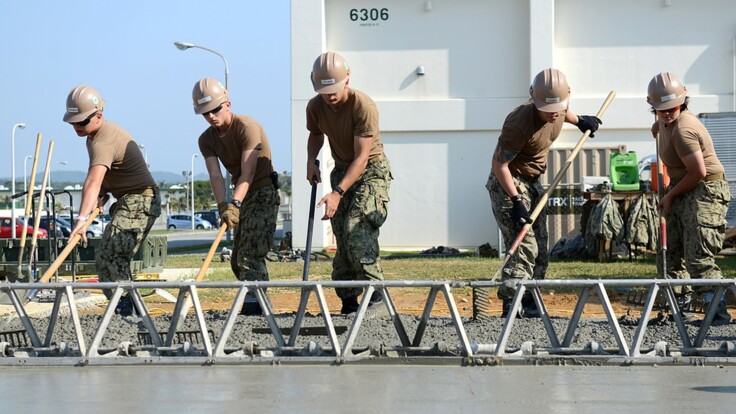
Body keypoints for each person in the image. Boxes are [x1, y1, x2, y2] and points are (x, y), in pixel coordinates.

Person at [486, 68, 602, 318]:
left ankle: (529, 298)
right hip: (509, 183)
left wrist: (580, 120)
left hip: (533, 181)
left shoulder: (558, 109)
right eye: (547, 111)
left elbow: (563, 113)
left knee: (540, 245)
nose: (553, 116)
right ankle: (511, 300)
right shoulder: (519, 123)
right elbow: (499, 165)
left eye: (558, 109)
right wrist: (516, 201)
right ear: (535, 101)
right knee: (523, 243)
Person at [306, 51, 393, 314]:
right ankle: (348, 299)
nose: (330, 96)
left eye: (334, 88)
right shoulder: (315, 106)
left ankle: (377, 295)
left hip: (370, 171)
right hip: (341, 169)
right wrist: (311, 160)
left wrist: (337, 192)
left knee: (358, 227)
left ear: (347, 78)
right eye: (324, 90)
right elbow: (316, 134)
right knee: (342, 235)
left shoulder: (362, 106)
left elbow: (362, 157)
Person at [64, 85, 160, 316]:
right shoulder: (94, 136)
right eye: (73, 122)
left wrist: (81, 219)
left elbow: (94, 180)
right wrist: (100, 196)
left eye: (82, 122)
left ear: (99, 115)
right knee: (110, 258)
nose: (77, 127)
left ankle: (127, 311)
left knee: (111, 256)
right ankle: (130, 309)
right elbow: (106, 178)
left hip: (140, 201)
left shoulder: (102, 140)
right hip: (128, 200)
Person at [647, 72, 732, 324]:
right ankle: (679, 306)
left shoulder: (685, 129)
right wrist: (658, 127)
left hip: (704, 190)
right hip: (681, 186)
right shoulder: (664, 122)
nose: (666, 113)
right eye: (660, 109)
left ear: (682, 102)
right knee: (668, 252)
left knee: (698, 256)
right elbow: (659, 127)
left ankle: (716, 313)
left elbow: (698, 172)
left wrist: (669, 196)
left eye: (672, 108)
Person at [192, 77, 280, 316]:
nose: (211, 116)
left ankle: (257, 305)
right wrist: (223, 206)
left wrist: (235, 204)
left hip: (262, 191)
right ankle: (255, 298)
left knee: (251, 253)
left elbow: (248, 172)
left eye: (215, 109)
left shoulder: (247, 127)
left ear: (227, 104)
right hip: (240, 195)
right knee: (237, 258)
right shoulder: (206, 140)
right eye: (205, 113)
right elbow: (215, 175)